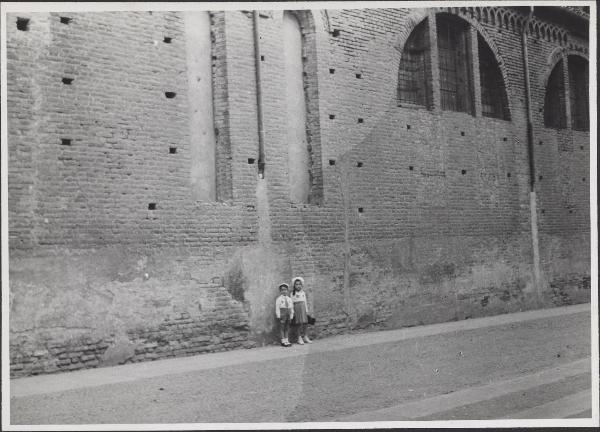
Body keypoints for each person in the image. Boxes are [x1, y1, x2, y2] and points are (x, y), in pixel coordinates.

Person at [291, 276, 312, 344]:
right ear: (294, 285)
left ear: (302, 285)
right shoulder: (292, 293)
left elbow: (305, 302)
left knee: (305, 323)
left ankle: (305, 336)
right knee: (298, 324)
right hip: (297, 308)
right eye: (296, 284)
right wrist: (292, 312)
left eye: (299, 284)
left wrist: (306, 311)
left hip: (303, 308)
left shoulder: (303, 293)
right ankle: (299, 337)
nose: (298, 286)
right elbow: (291, 303)